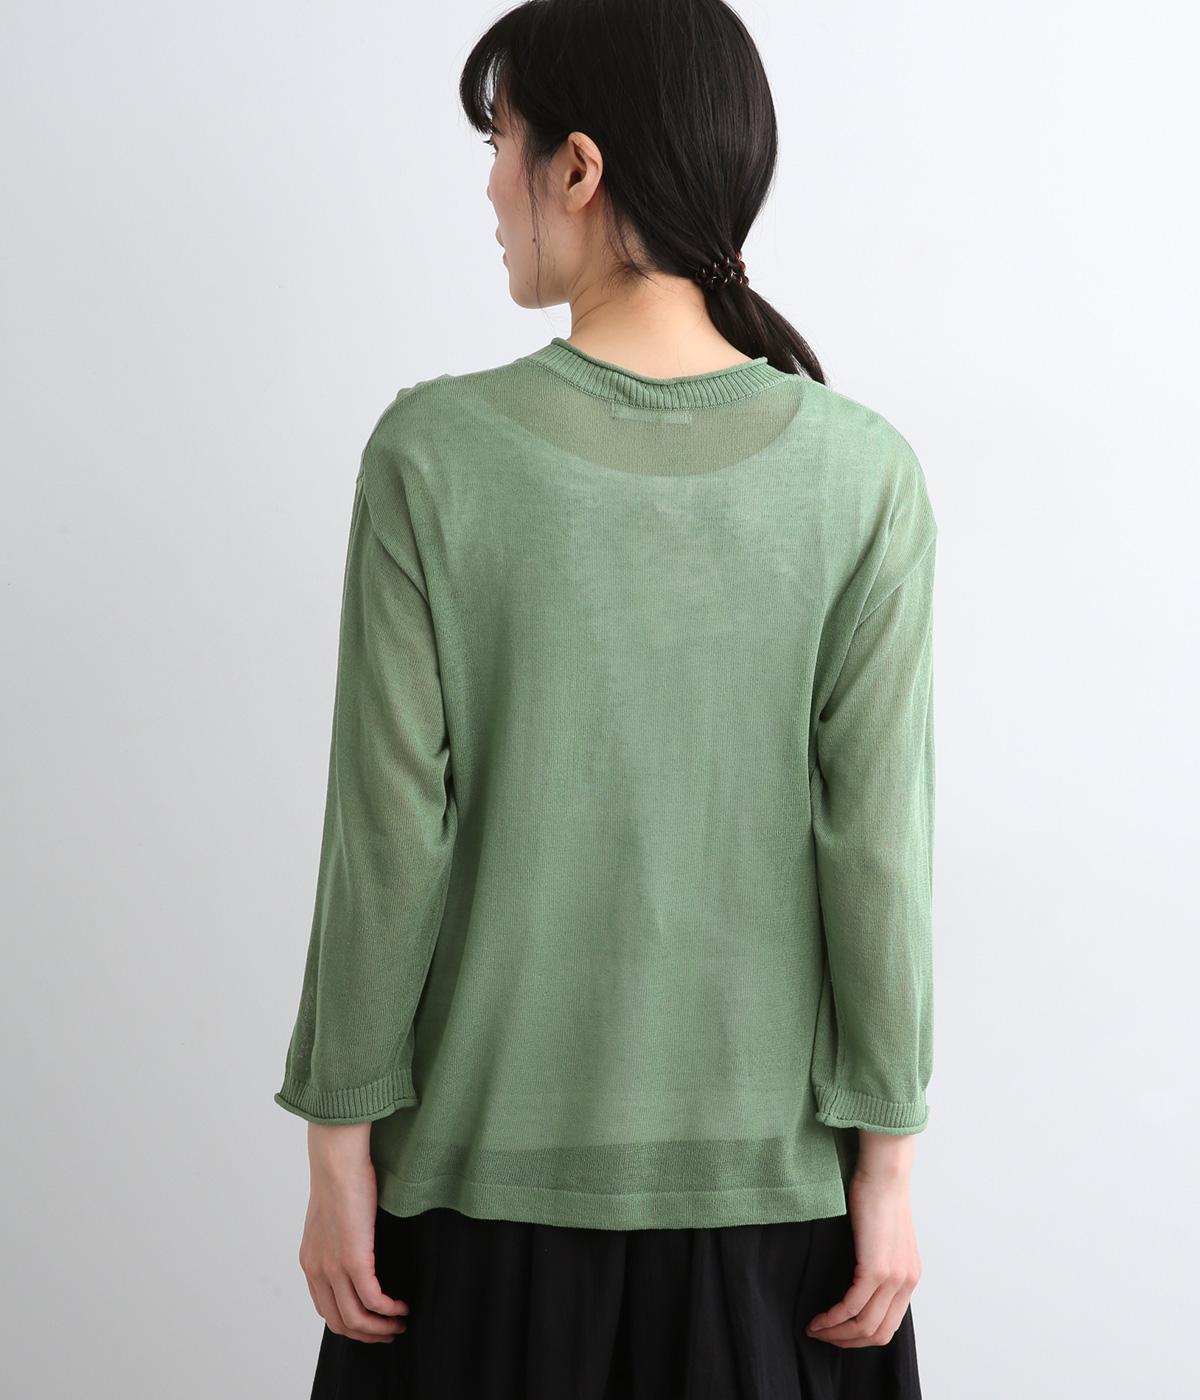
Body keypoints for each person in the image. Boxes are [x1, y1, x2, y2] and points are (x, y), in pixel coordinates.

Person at [273, 1, 937, 1396]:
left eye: (499, 143)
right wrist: (886, 1168)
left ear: (576, 168)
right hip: (780, 1217)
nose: (488, 189)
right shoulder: (864, 474)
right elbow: (877, 853)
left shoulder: (434, 455)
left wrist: (338, 1147)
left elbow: (387, 836)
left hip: (475, 1201)